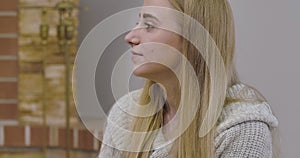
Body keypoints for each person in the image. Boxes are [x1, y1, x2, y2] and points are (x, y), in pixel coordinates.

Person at [98, 0, 279, 157]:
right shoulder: (125, 113)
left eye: (149, 25)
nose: (130, 37)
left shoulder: (242, 129)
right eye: (138, 22)